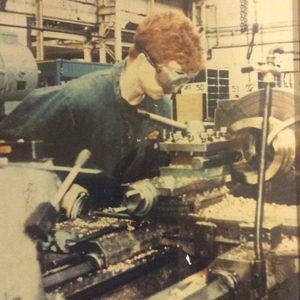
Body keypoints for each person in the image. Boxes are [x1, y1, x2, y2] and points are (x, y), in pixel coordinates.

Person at [0, 10, 203, 202]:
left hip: (127, 218)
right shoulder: (80, 99)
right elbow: (8, 148)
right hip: (67, 226)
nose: (173, 90)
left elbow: (157, 170)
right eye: (171, 78)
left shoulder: (161, 108)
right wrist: (57, 188)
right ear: (143, 61)